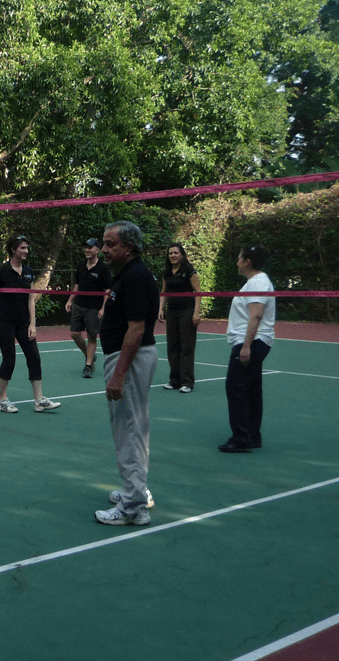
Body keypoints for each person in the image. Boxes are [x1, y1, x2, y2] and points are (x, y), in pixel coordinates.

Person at [93, 221, 160, 526]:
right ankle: (136, 491)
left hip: (129, 359)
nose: (104, 249)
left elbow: (136, 328)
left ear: (128, 247)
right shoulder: (130, 274)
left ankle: (133, 507)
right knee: (134, 428)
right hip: (128, 358)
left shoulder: (135, 277)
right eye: (104, 243)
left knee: (129, 430)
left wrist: (118, 375)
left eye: (111, 244)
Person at [0, 235, 61, 414]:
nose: (26, 251)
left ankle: (39, 400)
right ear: (13, 249)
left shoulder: (28, 271)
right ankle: (2, 400)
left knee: (34, 357)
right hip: (4, 321)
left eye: (27, 248)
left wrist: (33, 323)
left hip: (24, 322)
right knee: (9, 359)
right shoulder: (1, 271)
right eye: (22, 248)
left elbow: (31, 298)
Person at [219, 245, 276, 453]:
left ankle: (241, 438)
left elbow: (256, 315)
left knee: (235, 388)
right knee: (251, 389)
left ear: (247, 261)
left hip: (252, 342)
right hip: (253, 341)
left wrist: (246, 346)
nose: (237, 262)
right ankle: (252, 436)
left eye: (239, 258)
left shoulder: (258, 282)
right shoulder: (254, 282)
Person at [64, 238, 111, 378]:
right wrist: (70, 300)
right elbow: (77, 285)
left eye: (90, 247)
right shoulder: (81, 265)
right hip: (79, 305)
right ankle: (88, 354)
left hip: (94, 307)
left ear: (97, 250)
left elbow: (108, 289)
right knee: (74, 333)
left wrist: (103, 308)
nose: (87, 250)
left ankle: (88, 365)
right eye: (86, 247)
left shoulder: (103, 268)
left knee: (92, 336)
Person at [158, 243, 202, 393]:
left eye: (176, 253)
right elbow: (164, 292)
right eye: (170, 253)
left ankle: (187, 382)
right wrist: (160, 309)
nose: (173, 255)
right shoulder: (166, 272)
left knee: (186, 347)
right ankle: (175, 380)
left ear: (182, 255)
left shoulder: (189, 271)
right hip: (172, 312)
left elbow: (198, 291)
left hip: (187, 311)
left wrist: (196, 312)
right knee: (172, 346)